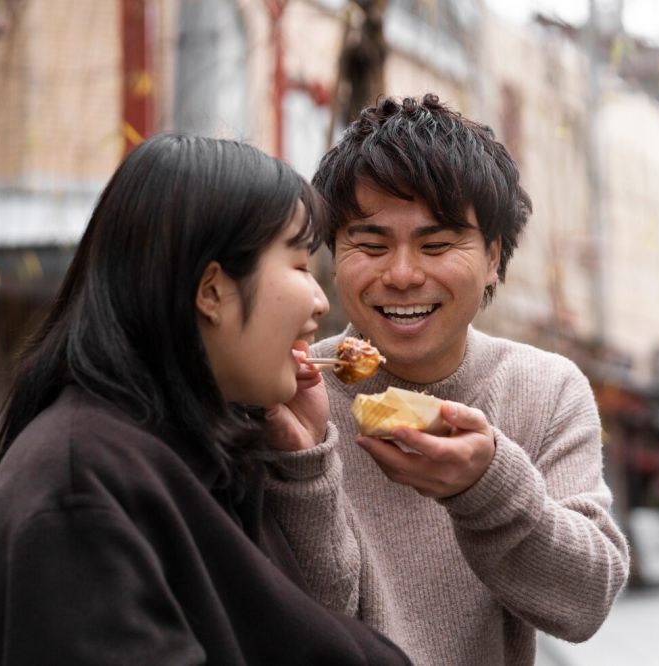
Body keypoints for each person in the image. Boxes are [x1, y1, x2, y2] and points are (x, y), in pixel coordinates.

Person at [0, 134, 412, 666]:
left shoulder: (208, 460)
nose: (321, 301)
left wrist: (303, 464)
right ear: (212, 291)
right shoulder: (79, 497)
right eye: (300, 266)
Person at [262, 95, 630, 666]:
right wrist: (304, 462)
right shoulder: (290, 388)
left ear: (492, 258)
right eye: (371, 243)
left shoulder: (547, 389)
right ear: (334, 252)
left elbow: (584, 604)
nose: (404, 274)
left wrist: (485, 486)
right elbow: (297, 624)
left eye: (436, 245)